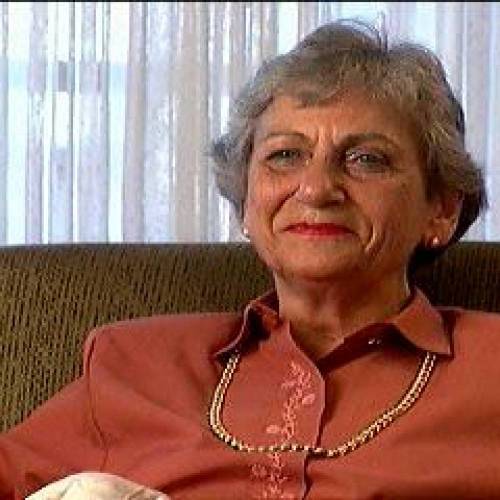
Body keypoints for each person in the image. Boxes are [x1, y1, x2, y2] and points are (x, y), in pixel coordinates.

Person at [1, 18, 499, 500]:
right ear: (245, 200)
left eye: (366, 158)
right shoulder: (131, 365)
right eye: (285, 155)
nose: (316, 188)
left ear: (441, 209)